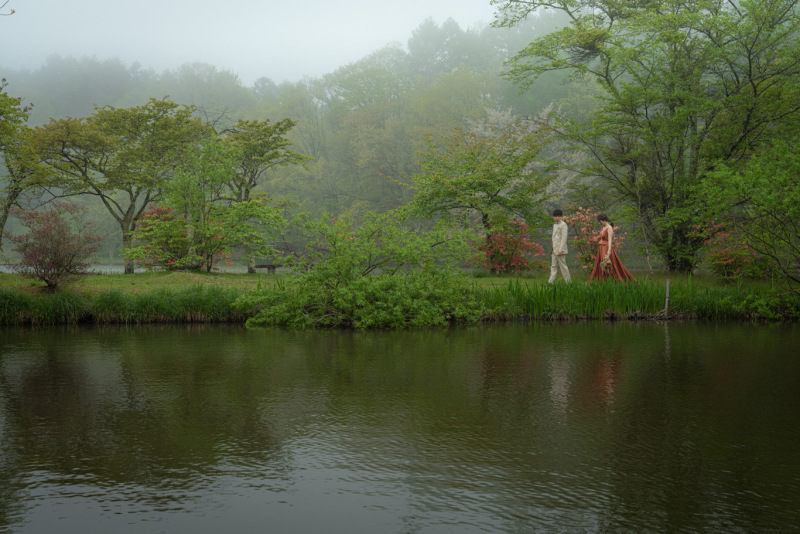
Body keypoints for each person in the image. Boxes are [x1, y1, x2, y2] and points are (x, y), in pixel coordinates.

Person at [589, 213, 636, 282]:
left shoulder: (609, 228)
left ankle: (611, 280)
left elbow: (610, 240)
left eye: (600, 221)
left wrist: (609, 251)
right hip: (601, 248)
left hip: (606, 248)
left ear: (603, 220)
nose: (599, 223)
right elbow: (602, 237)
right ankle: (602, 281)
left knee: (607, 264)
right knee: (601, 264)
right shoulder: (603, 228)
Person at [548, 209, 571, 284]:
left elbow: (564, 238)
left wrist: (561, 249)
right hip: (554, 250)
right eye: (555, 216)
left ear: (561, 216)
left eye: (558, 216)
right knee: (553, 266)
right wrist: (552, 249)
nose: (557, 218)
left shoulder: (563, 225)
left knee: (563, 267)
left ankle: (569, 283)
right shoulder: (554, 225)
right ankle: (550, 283)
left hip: (560, 250)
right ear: (553, 217)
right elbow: (554, 238)